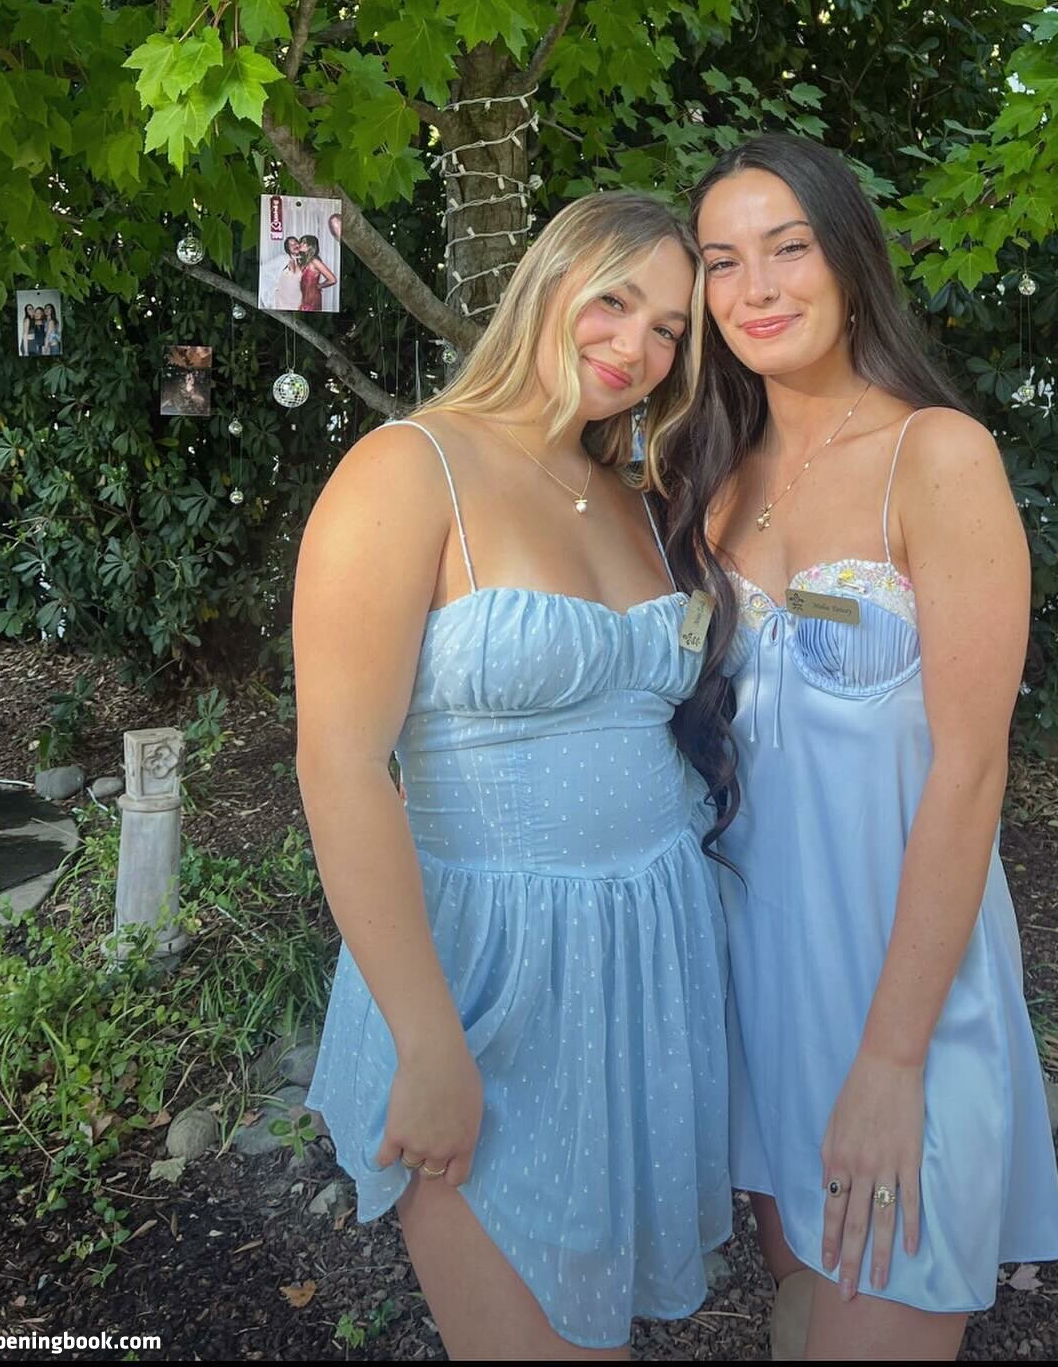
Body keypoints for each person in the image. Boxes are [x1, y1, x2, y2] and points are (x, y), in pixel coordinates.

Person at [296, 192, 736, 1360]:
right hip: (487, 976)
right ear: (549, 283)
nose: (636, 347)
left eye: (670, 330)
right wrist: (426, 1039)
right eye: (615, 301)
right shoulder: (409, 470)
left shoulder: (637, 499)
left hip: (644, 961)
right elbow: (341, 767)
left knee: (601, 1331)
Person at [668, 134, 1058, 1362]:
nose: (757, 288)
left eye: (788, 248)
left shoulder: (935, 455)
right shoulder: (707, 472)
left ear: (847, 261)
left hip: (901, 993)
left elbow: (971, 771)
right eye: (723, 260)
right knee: (803, 1309)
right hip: (758, 980)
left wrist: (893, 1061)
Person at [295, 234, 338, 312]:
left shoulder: (314, 261)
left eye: (304, 243)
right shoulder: (304, 261)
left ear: (311, 246)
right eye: (301, 242)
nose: (300, 244)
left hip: (312, 301)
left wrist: (319, 286)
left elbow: (332, 279)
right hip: (304, 299)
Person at [275, 236, 304, 309]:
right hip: (282, 302)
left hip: (298, 300)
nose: (294, 245)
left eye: (295, 243)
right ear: (287, 248)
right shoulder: (282, 259)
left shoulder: (303, 261)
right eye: (291, 245)